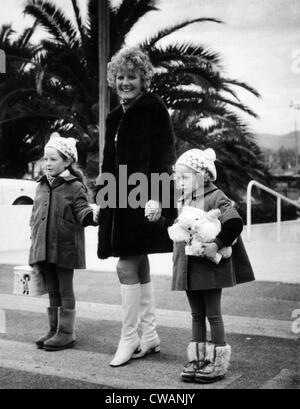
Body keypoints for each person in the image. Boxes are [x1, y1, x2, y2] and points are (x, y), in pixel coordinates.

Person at [95, 47, 176, 367]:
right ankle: (150, 336)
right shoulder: (115, 116)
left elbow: (165, 155)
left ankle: (129, 338)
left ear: (144, 79)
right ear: (113, 79)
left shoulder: (154, 109)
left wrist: (159, 195)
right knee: (137, 265)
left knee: (124, 266)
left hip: (144, 201)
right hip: (118, 202)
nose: (125, 82)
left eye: (132, 76)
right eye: (120, 76)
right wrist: (101, 199)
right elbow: (106, 162)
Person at [149, 148, 255, 383]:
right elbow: (178, 225)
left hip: (209, 267)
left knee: (213, 314)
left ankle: (217, 362)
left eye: (185, 177)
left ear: (203, 175)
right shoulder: (183, 199)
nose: (179, 181)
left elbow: (235, 222)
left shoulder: (216, 196)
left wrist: (217, 245)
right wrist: (158, 213)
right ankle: (198, 359)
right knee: (197, 314)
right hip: (188, 267)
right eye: (177, 176)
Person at [29, 132, 98, 351]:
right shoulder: (40, 185)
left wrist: (94, 216)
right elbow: (35, 215)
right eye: (45, 159)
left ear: (67, 161)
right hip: (43, 246)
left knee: (65, 289)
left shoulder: (74, 186)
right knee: (52, 290)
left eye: (53, 159)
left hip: (64, 247)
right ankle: (54, 329)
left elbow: (82, 211)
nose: (47, 163)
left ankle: (67, 332)